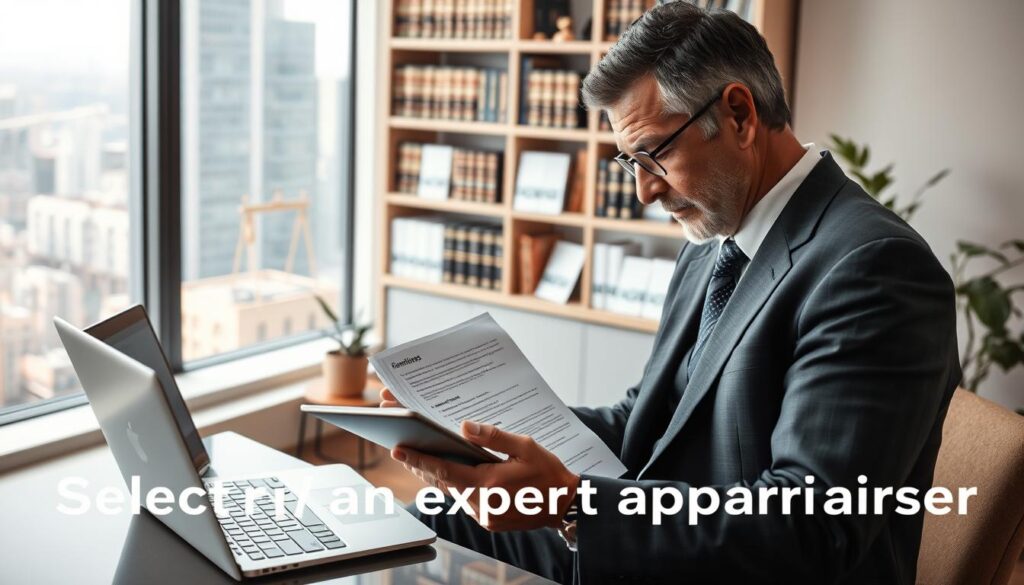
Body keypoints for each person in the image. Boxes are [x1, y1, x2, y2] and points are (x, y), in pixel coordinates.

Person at [380, 2, 961, 583]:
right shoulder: (716, 238)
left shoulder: (875, 269)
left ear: (738, 114)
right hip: (662, 536)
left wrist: (572, 505)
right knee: (423, 524)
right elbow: (650, 420)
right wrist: (478, 438)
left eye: (654, 154)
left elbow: (808, 532)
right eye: (628, 162)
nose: (644, 192)